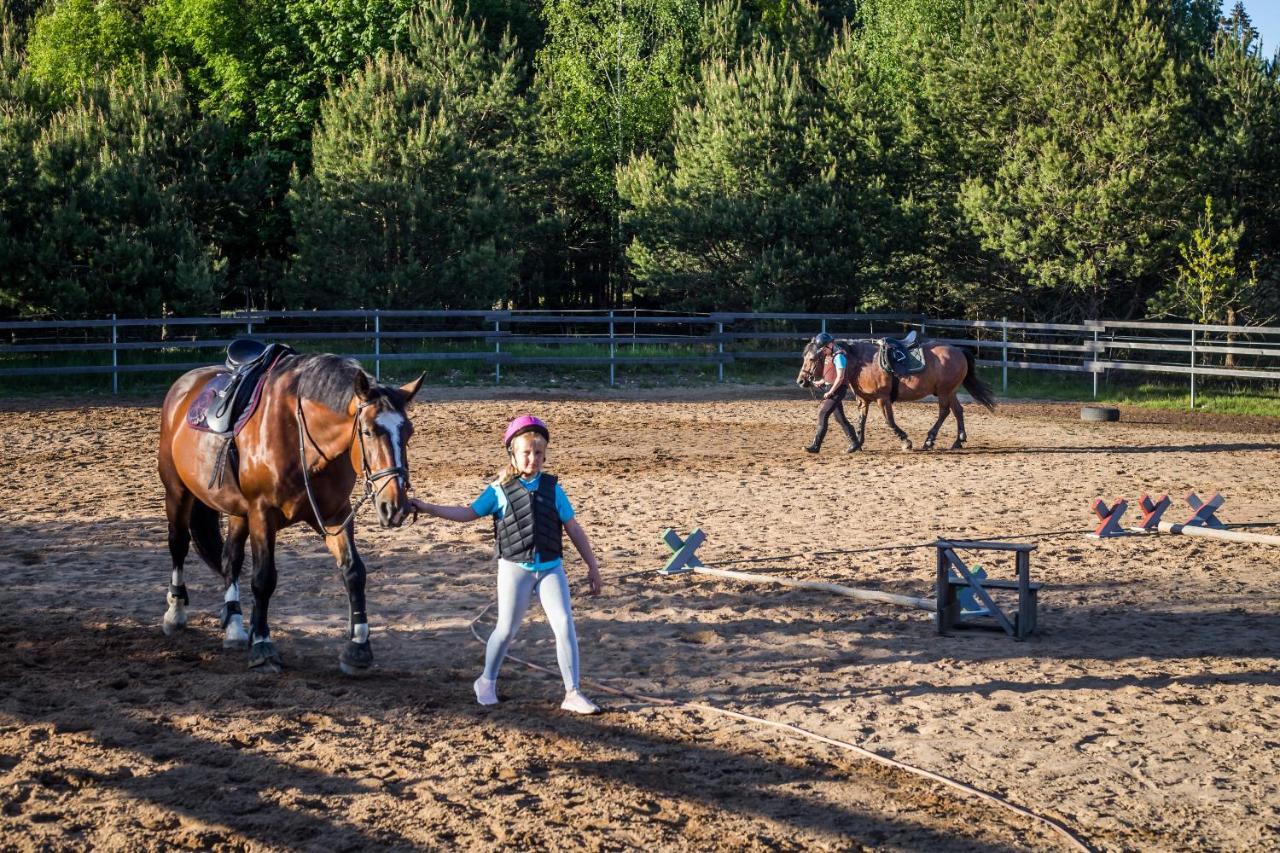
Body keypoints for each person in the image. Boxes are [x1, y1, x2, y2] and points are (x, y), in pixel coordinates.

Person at [409, 415, 603, 714]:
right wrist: (429, 508)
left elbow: (574, 528)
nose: (533, 458)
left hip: (551, 568)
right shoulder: (498, 490)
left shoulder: (554, 489)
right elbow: (468, 513)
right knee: (507, 629)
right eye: (526, 452)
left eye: (539, 453)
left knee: (564, 625)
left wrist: (592, 566)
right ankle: (486, 681)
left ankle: (572, 692)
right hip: (515, 569)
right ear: (512, 453)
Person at [806, 332, 859, 453]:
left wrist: (830, 392)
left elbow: (840, 377)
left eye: (824, 348)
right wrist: (822, 381)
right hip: (832, 388)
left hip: (838, 390)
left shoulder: (839, 357)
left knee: (823, 414)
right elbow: (832, 374)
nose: (823, 351)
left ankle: (816, 446)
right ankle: (855, 443)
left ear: (830, 344)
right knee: (840, 418)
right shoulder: (829, 355)